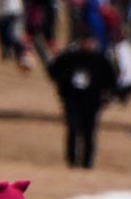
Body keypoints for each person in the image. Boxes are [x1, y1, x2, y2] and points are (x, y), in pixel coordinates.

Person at [47, 33, 116, 169]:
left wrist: (107, 96)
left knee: (89, 132)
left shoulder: (101, 59)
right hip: (72, 100)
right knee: (73, 129)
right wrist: (63, 86)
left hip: (92, 101)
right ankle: (72, 161)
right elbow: (53, 71)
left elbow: (111, 80)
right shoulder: (69, 57)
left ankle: (87, 163)